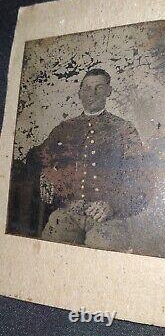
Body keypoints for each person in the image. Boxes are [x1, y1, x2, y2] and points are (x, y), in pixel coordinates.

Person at [25, 68, 150, 252]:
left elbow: (139, 179)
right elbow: (36, 157)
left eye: (99, 88)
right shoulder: (65, 128)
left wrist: (112, 205)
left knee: (104, 258)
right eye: (87, 88)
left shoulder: (124, 129)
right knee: (50, 252)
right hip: (68, 212)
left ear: (109, 91)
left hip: (107, 217)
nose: (92, 94)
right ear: (79, 93)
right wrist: (45, 174)